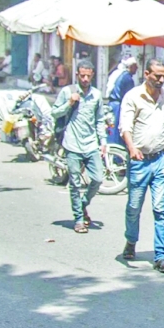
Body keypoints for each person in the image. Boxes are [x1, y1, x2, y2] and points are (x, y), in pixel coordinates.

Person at [119, 58, 164, 273]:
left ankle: (161, 256)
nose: (161, 80)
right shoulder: (133, 97)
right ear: (147, 74)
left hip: (161, 158)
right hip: (140, 161)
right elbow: (125, 126)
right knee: (134, 207)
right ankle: (131, 240)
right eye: (157, 76)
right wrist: (132, 147)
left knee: (161, 209)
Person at [51, 60, 107, 234]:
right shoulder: (68, 91)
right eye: (82, 75)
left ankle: (83, 204)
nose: (84, 79)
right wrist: (69, 103)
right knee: (74, 183)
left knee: (97, 178)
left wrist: (103, 141)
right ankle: (79, 219)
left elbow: (99, 119)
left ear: (92, 76)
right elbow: (54, 112)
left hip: (90, 143)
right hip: (72, 143)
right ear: (77, 75)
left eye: (88, 76)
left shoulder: (96, 95)